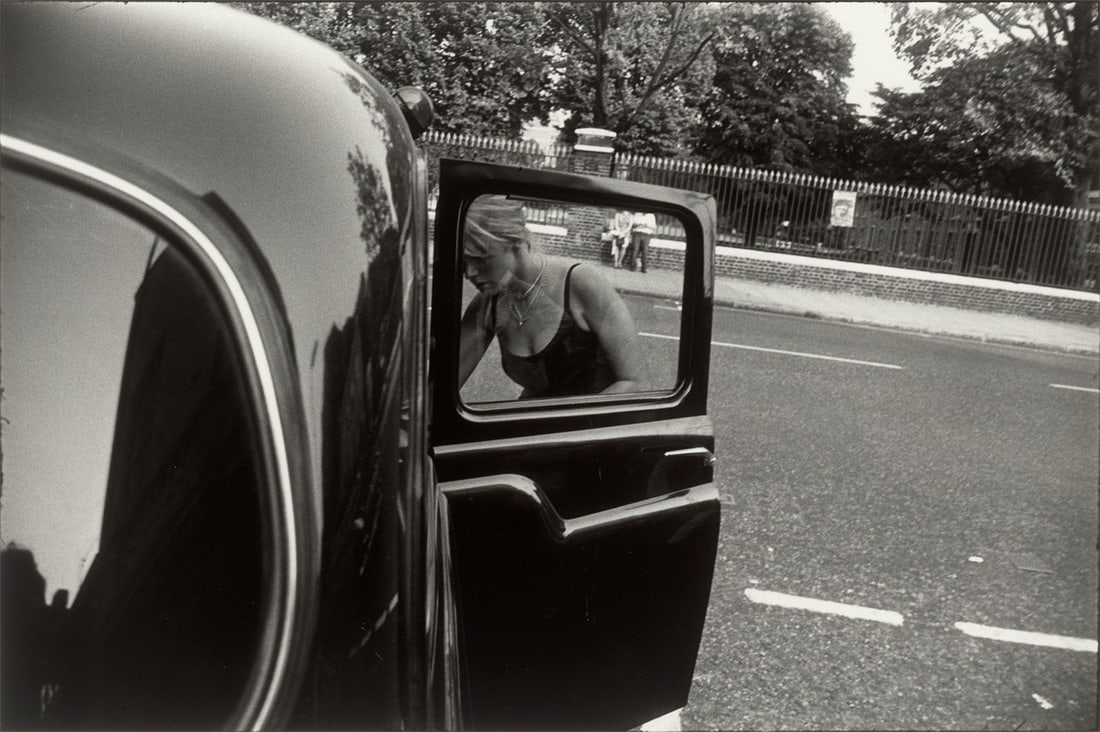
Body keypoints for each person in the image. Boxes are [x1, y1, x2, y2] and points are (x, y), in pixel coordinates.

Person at [459, 196, 649, 399]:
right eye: (463, 261)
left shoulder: (581, 284)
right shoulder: (487, 306)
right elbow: (442, 384)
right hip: (535, 423)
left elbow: (637, 384)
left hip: (596, 426)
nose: (469, 272)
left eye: (480, 258)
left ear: (513, 240)